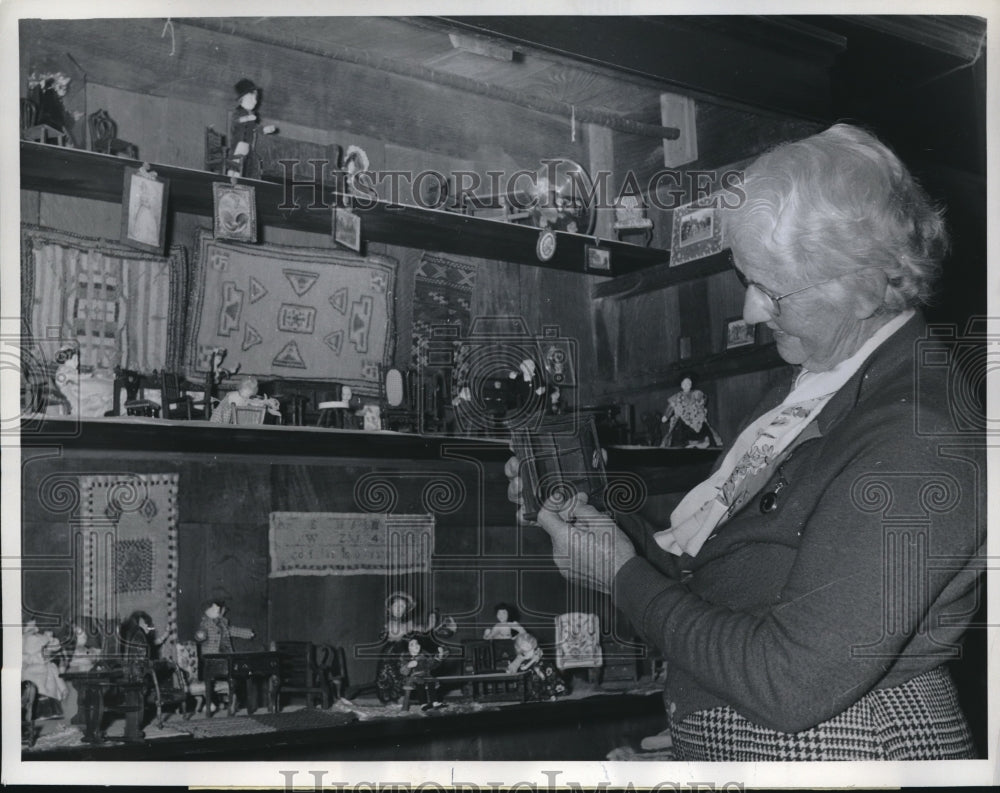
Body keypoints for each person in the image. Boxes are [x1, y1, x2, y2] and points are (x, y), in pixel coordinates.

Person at [506, 124, 984, 761]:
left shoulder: (921, 438)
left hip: (853, 753)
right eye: (745, 279)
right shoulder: (819, 383)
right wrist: (602, 522)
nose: (752, 312)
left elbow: (791, 683)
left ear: (868, 287)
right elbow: (726, 577)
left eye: (774, 290)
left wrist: (618, 575)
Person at [659, 373, 722, 448]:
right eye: (684, 383)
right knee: (678, 433)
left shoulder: (696, 393)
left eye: (689, 383)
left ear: (691, 384)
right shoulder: (677, 396)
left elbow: (703, 399)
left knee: (704, 428)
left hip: (696, 418)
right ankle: (684, 444)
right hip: (682, 419)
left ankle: (703, 443)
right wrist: (666, 416)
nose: (686, 385)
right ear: (681, 385)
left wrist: (701, 401)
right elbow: (671, 406)